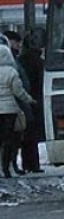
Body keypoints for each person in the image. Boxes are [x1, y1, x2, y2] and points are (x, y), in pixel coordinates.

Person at [0, 45, 35, 178]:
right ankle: (7, 168)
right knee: (9, 140)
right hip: (9, 110)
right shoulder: (12, 72)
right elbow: (18, 91)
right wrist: (29, 100)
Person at [18, 35, 44, 173]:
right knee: (32, 134)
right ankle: (34, 164)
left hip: (23, 100)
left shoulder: (20, 61)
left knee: (25, 133)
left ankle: (26, 163)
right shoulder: (39, 62)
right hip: (36, 100)